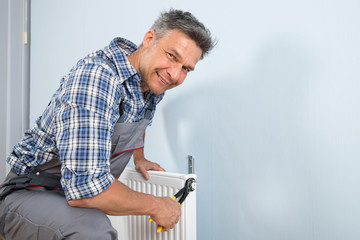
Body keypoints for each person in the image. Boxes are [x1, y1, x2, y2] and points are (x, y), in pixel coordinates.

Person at [0, 9, 215, 240]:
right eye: (172, 55)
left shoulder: (151, 82)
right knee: (93, 230)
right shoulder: (98, 77)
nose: (175, 74)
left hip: (68, 195)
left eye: (186, 69)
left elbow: (135, 119)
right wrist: (157, 206)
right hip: (31, 192)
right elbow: (85, 189)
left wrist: (139, 157)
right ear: (149, 39)